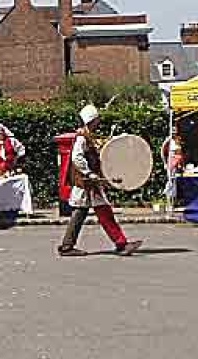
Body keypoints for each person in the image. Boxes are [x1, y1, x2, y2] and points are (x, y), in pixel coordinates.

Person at [57, 105, 142, 257]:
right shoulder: (82, 137)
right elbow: (77, 157)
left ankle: (67, 245)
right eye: (97, 119)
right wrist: (89, 173)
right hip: (87, 182)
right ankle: (120, 244)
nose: (99, 121)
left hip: (89, 182)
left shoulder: (88, 135)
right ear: (91, 120)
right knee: (100, 212)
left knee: (85, 212)